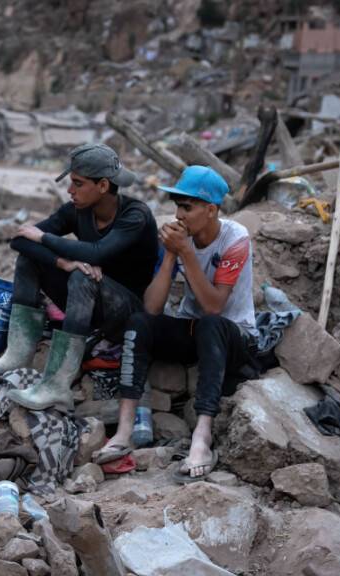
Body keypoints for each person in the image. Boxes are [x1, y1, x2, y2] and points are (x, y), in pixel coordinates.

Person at [95, 165, 258, 480]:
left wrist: (186, 252)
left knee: (211, 324)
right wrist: (171, 255)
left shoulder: (235, 238)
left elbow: (214, 306)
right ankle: (124, 431)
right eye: (177, 207)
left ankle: (202, 437)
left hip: (233, 334)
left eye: (187, 207)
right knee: (139, 322)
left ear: (211, 210)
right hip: (194, 329)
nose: (179, 215)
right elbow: (152, 307)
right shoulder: (178, 240)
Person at [0, 143, 158, 412]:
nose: (70, 190)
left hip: (126, 313)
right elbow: (20, 241)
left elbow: (97, 252)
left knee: (83, 277)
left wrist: (45, 238)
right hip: (88, 305)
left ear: (103, 185)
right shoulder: (76, 210)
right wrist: (63, 262)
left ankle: (57, 386)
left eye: (78, 183)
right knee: (30, 260)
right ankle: (17, 355)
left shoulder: (135, 215)